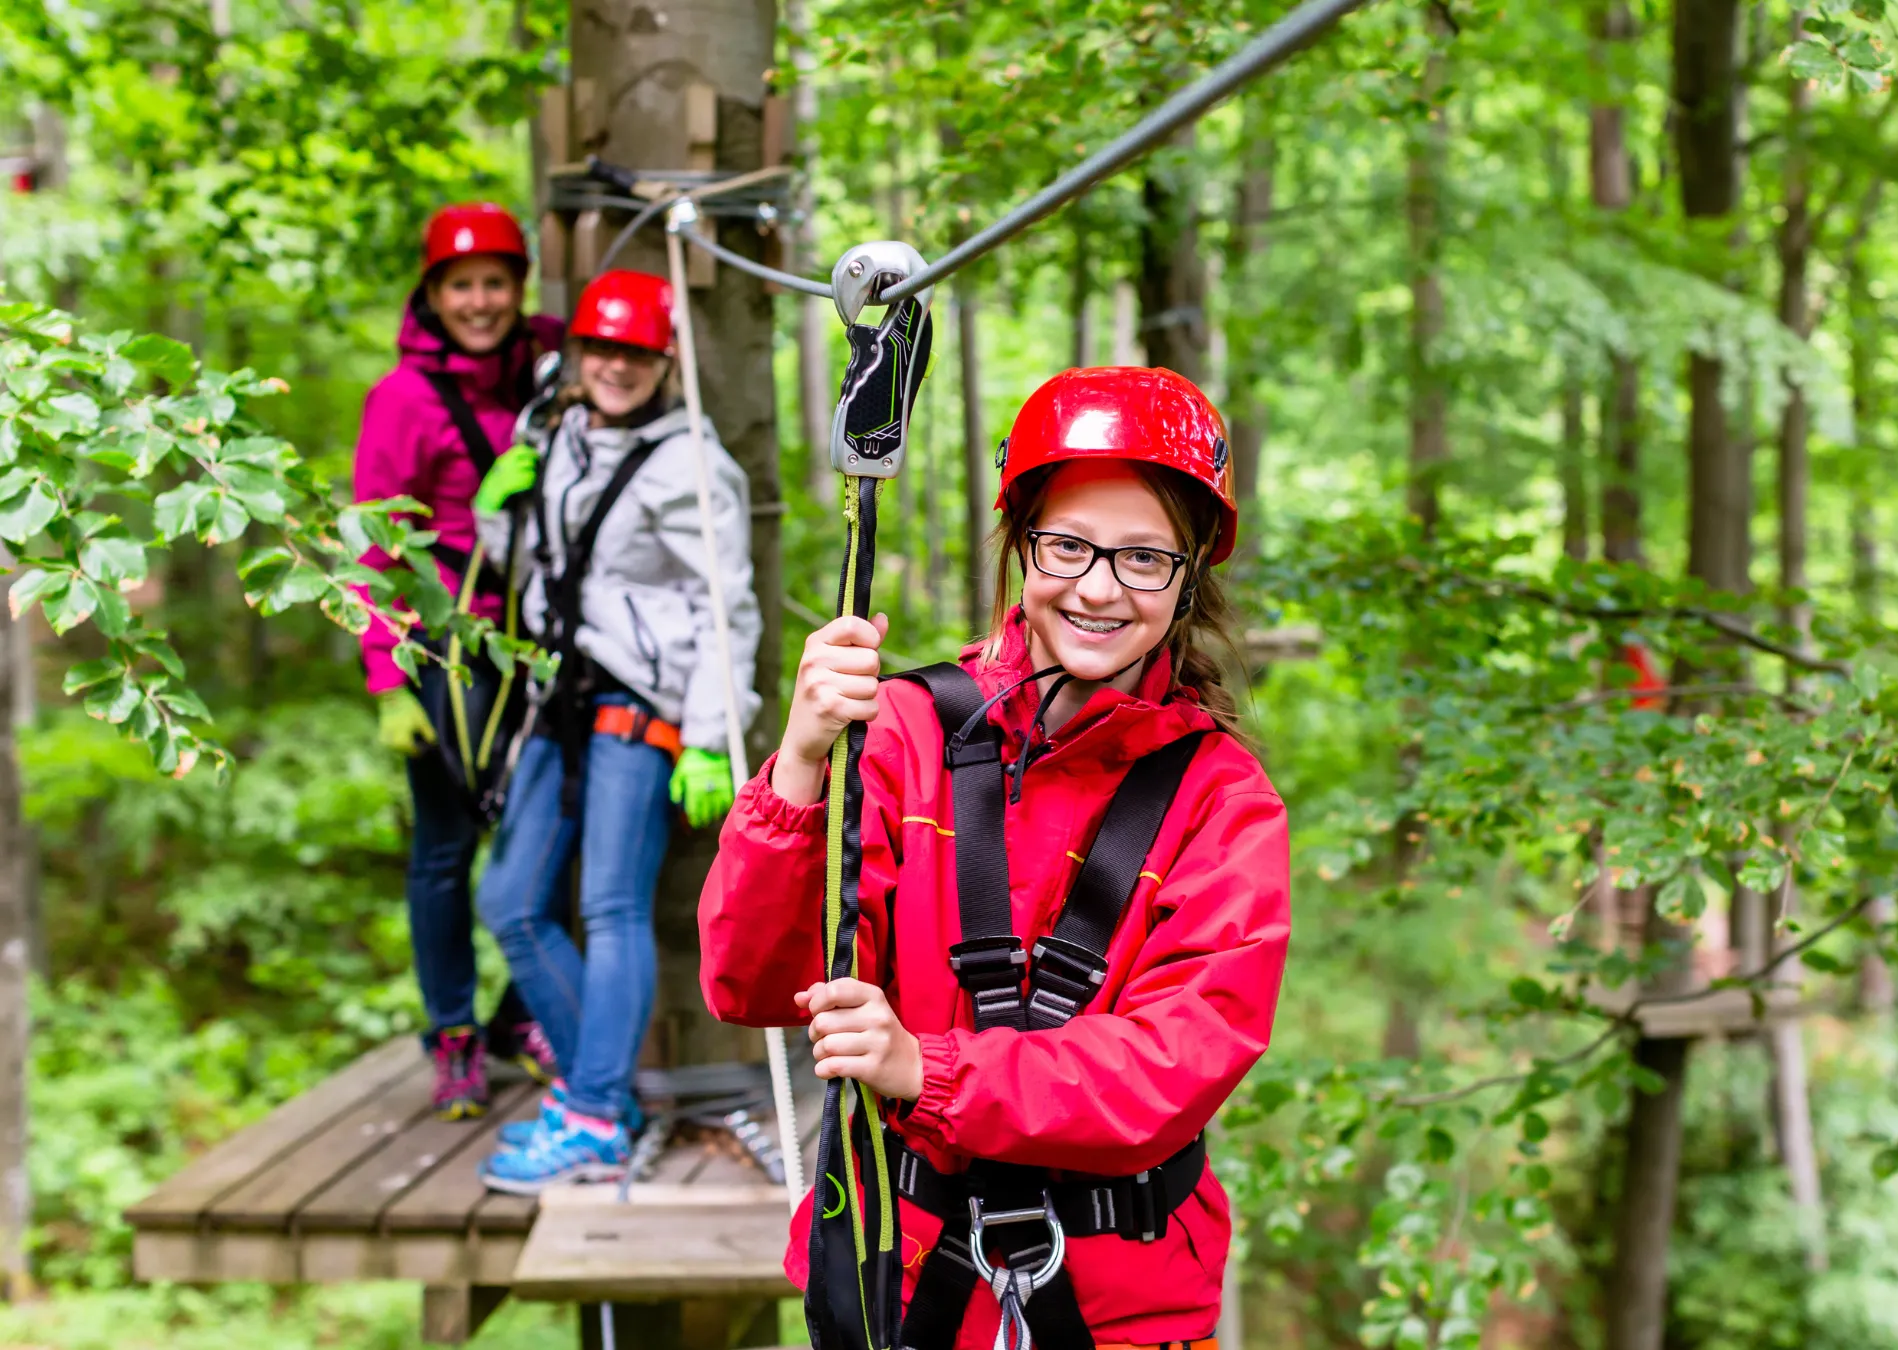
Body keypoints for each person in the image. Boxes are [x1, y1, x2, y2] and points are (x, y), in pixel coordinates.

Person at [698, 366, 1292, 1349]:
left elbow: (1172, 1065)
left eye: (1143, 559)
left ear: (1188, 580)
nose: (1097, 587)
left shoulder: (1220, 803)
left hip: (1116, 1305)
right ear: (1020, 548)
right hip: (899, 1269)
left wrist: (922, 1069)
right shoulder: (900, 733)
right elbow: (752, 980)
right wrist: (802, 763)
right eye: (1066, 546)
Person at [469, 268, 761, 1193]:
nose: (616, 367)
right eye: (602, 349)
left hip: (641, 703)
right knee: (511, 900)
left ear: (663, 358)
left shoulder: (692, 465)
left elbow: (727, 607)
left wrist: (714, 734)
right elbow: (543, 567)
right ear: (579, 353)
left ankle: (594, 1111)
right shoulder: (557, 434)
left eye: (635, 353)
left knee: (610, 907)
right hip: (560, 690)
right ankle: (606, 1086)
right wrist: (494, 511)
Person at [352, 201, 565, 1121]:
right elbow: (376, 545)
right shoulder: (402, 400)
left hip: (541, 640)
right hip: (445, 644)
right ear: (433, 295)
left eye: (495, 283)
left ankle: (519, 1014)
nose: (480, 302)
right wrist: (387, 679)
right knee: (445, 849)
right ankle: (451, 1036)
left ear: (519, 290)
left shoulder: (550, 365)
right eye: (461, 286)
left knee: (549, 832)